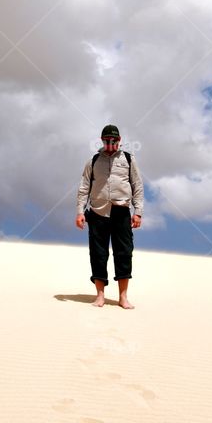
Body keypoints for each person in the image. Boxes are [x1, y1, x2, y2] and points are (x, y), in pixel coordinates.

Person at [75, 124, 144, 309]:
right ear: (102, 140)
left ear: (119, 140)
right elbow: (83, 188)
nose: (110, 143)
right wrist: (80, 212)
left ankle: (123, 297)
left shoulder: (129, 159)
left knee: (124, 253)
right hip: (98, 212)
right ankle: (100, 296)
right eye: (107, 140)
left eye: (114, 140)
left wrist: (138, 212)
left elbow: (137, 186)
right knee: (98, 254)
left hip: (121, 211)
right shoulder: (93, 160)